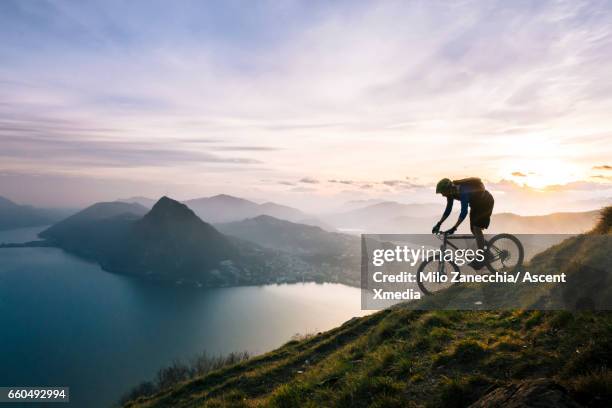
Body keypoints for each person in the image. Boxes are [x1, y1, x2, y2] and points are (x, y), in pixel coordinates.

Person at [432, 177, 494, 269]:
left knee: (477, 228)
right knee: (474, 230)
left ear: (447, 189)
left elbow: (464, 212)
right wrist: (439, 224)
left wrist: (454, 227)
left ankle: (483, 257)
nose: (442, 195)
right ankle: (488, 253)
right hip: (475, 205)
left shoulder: (462, 190)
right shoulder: (451, 193)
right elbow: (448, 210)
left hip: (486, 202)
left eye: (442, 192)